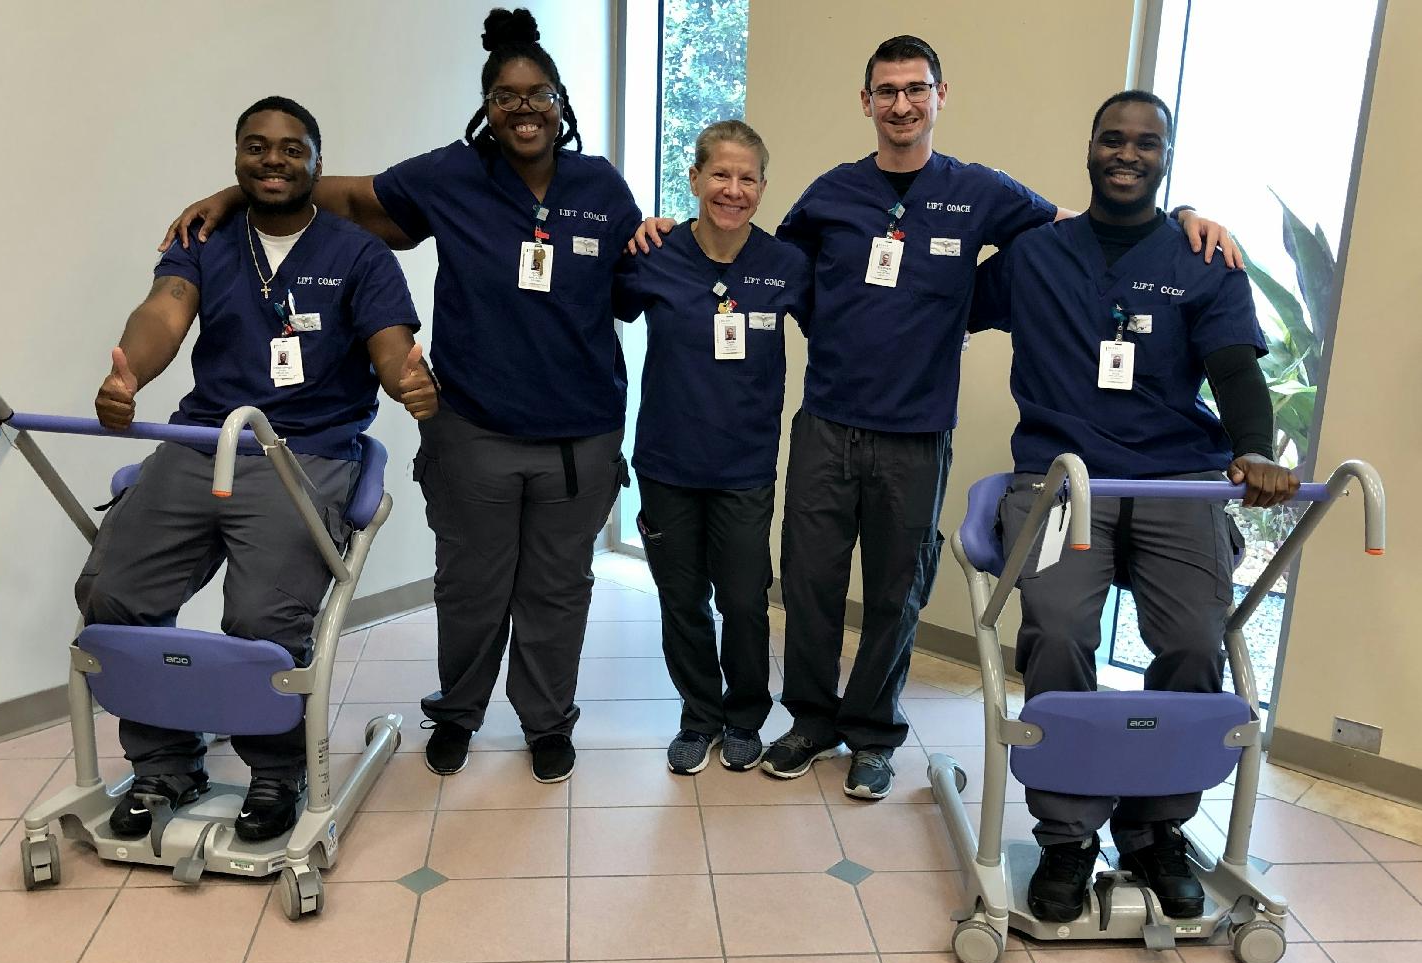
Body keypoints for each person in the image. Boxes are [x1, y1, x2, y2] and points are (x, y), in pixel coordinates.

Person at [635, 35, 1240, 801]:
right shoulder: (829, 194)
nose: (901, 104)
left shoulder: (980, 191)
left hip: (917, 434)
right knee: (812, 586)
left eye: (915, 89)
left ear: (939, 97)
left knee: (897, 591)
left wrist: (1183, 215)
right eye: (886, 91)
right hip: (825, 424)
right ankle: (812, 721)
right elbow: (753, 258)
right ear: (866, 102)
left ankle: (874, 733)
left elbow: (1085, 225)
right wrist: (667, 230)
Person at [164, 8, 642, 784]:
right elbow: (340, 199)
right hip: (474, 430)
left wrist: (661, 234)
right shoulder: (451, 176)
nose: (523, 107)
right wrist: (235, 194)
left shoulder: (602, 186)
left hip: (577, 440)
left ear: (562, 102)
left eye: (538, 92)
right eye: (506, 95)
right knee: (471, 587)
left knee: (558, 590)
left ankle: (548, 721)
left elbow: (628, 286)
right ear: (486, 108)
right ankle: (458, 711)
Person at [970, 89, 1299, 922]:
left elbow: (1233, 370)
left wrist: (1252, 449)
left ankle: (1155, 830)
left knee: (1195, 639)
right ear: (1089, 148)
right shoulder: (1037, 253)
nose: (1128, 153)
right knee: (1058, 628)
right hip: (1061, 478)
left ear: (1165, 157)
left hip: (1175, 479)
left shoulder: (1203, 259)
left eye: (1146, 143)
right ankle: (1068, 834)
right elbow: (940, 301)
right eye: (1113, 139)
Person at [83, 96, 436, 842]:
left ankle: (277, 771)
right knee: (114, 595)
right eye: (256, 146)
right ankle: (163, 765)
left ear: (316, 159)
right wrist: (127, 380)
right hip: (203, 443)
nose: (273, 159)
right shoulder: (207, 238)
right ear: (237, 157)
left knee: (263, 623)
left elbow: (388, 340)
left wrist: (407, 379)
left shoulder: (357, 253)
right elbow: (164, 312)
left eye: (290, 147)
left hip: (304, 452)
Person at [612, 120, 811, 774]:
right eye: (719, 174)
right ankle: (699, 717)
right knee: (683, 601)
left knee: (746, 601)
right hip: (668, 464)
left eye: (747, 177)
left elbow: (846, 330)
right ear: (694, 178)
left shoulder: (784, 264)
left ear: (762, 187)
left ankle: (745, 715)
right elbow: (594, 311)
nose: (732, 189)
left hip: (745, 470)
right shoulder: (654, 255)